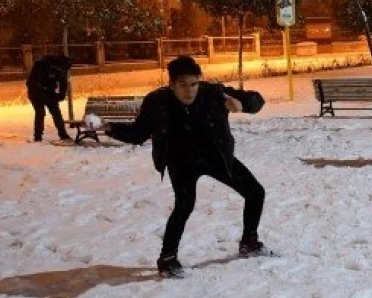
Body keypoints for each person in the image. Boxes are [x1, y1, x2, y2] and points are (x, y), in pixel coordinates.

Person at [100, 56, 268, 278]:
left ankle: (249, 242)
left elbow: (257, 100)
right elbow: (137, 134)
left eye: (194, 84)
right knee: (184, 205)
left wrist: (243, 104)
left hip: (215, 156)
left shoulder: (214, 93)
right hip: (180, 160)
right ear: (171, 85)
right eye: (182, 85)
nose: (189, 91)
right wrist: (107, 127)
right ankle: (167, 259)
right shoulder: (157, 102)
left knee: (255, 192)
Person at [26, 54, 73, 142]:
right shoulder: (41, 64)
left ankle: (63, 134)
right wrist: (44, 91)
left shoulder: (61, 68)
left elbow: (63, 82)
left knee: (56, 113)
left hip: (49, 92)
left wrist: (61, 94)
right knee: (40, 113)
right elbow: (33, 82)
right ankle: (38, 136)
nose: (63, 71)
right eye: (63, 69)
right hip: (35, 92)